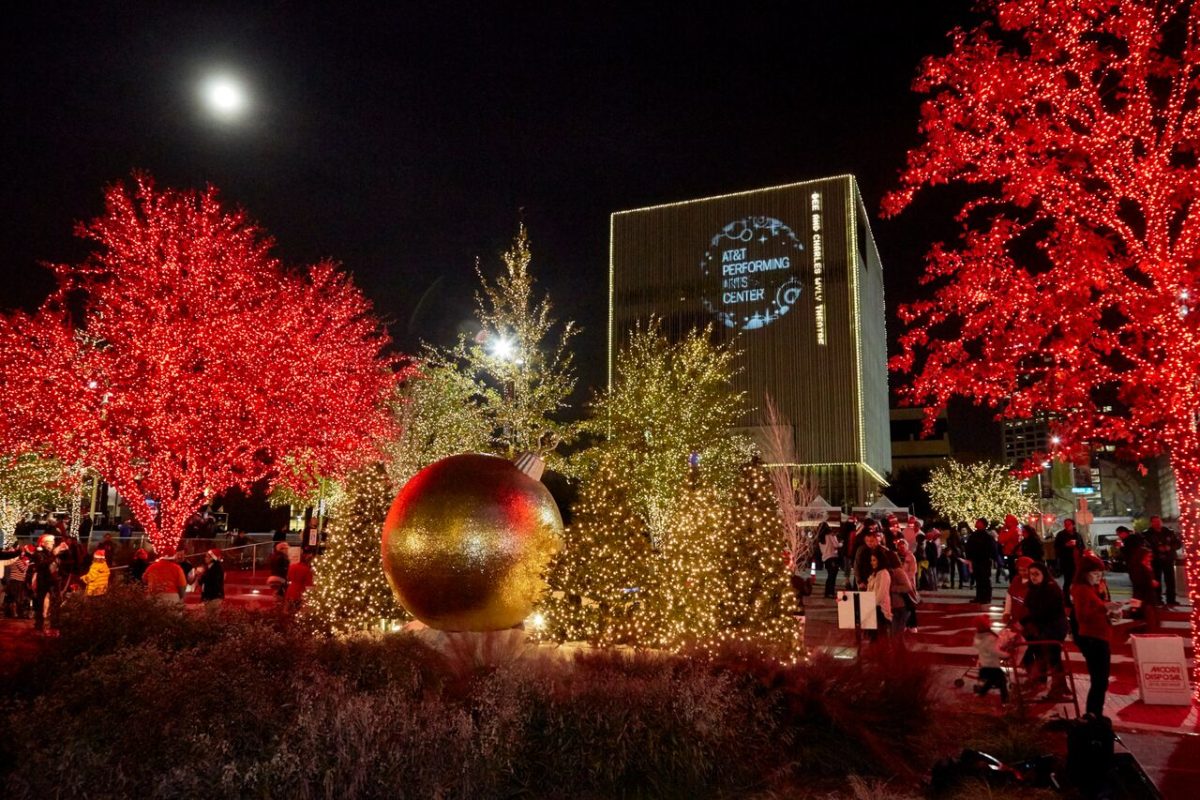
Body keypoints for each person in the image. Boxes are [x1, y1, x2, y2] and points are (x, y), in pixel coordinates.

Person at [1071, 554, 1114, 717]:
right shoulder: (1082, 589)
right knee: (1099, 679)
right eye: (1095, 573)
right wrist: (1105, 608)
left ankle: (1095, 713)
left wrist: (1110, 610)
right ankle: (1093, 714)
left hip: (1100, 635)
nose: (1099, 577)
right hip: (1092, 638)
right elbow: (1082, 615)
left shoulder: (1094, 588)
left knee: (1100, 680)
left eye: (1100, 573)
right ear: (1084, 573)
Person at [1023, 561, 1070, 700]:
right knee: (1041, 654)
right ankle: (1041, 681)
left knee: (1053, 657)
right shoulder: (1033, 589)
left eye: (1036, 574)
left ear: (1044, 574)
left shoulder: (1050, 588)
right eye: (1031, 574)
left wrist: (1025, 621)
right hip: (1042, 627)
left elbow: (1045, 611)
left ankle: (1059, 688)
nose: (1033, 577)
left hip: (1054, 628)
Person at [30, 533, 65, 634]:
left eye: (53, 542)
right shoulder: (38, 553)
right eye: (50, 542)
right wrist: (54, 554)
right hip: (43, 581)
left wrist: (64, 550)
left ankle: (55, 624)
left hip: (54, 581)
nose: (53, 544)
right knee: (40, 603)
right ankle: (39, 625)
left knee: (56, 602)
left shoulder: (51, 553)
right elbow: (42, 565)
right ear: (43, 543)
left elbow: (62, 563)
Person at [972, 615, 1010, 702]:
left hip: (986, 663)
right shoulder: (989, 636)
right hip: (991, 664)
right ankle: (1005, 701)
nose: (990, 622)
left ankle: (981, 694)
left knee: (994, 680)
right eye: (988, 621)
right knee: (1001, 681)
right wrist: (1006, 655)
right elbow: (994, 651)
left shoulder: (979, 635)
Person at [1145, 516, 1181, 605]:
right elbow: (1145, 547)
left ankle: (1171, 600)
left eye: (1158, 521)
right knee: (1156, 580)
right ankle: (1158, 599)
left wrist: (1170, 547)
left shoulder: (1169, 532)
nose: (1157, 523)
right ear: (1151, 523)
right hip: (1155, 560)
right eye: (1154, 522)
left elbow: (1178, 544)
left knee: (1170, 580)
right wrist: (1156, 549)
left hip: (1168, 559)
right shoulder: (1147, 534)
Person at [1126, 544, 1160, 633]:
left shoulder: (1147, 567)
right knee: (1147, 620)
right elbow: (1138, 582)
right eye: (1148, 556)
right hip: (1142, 597)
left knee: (1152, 619)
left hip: (1148, 597)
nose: (1150, 559)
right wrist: (1150, 582)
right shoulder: (1136, 568)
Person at [1053, 519, 1084, 604]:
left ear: (1073, 525)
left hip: (1077, 560)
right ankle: (1066, 599)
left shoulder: (1077, 535)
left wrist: (1077, 546)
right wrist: (1066, 545)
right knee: (1068, 580)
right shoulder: (1061, 535)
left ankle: (1077, 598)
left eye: (1069, 524)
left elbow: (1082, 546)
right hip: (1067, 561)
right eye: (1065, 524)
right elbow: (1056, 547)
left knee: (1078, 580)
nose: (1067, 526)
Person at [965, 518, 995, 604]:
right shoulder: (974, 535)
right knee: (978, 580)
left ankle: (986, 597)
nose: (976, 523)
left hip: (983, 561)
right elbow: (969, 547)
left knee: (984, 580)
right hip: (976, 560)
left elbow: (990, 549)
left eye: (978, 522)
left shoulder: (986, 536)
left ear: (983, 524)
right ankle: (979, 597)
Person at [866, 552, 892, 638]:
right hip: (872, 608)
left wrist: (872, 604)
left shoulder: (884, 573)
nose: (871, 562)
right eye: (871, 560)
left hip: (880, 609)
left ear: (880, 561)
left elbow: (882, 592)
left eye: (874, 560)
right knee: (873, 636)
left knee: (880, 636)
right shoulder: (875, 573)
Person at [1003, 556, 1034, 626]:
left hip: (1028, 621)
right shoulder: (1016, 580)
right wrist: (1007, 612)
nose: (1022, 573)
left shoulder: (1034, 582)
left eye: (1025, 570)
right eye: (1020, 570)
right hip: (1015, 618)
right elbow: (1009, 596)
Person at [3, 545, 32, 618]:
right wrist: (28, 564)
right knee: (16, 598)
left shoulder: (14, 560)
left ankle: (12, 613)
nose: (23, 554)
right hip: (17, 581)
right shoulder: (17, 560)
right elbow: (24, 569)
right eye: (22, 552)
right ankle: (15, 613)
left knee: (13, 598)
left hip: (14, 580)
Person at [818, 522, 841, 598]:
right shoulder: (830, 535)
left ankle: (827, 592)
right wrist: (841, 543)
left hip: (825, 558)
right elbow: (836, 545)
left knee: (829, 576)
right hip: (832, 556)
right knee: (833, 576)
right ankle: (830, 592)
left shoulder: (820, 538)